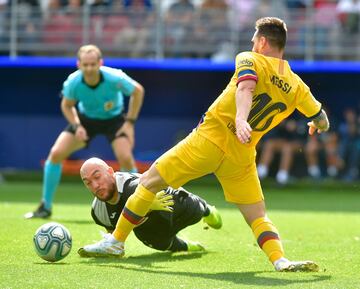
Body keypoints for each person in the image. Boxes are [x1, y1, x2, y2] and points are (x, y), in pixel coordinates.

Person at [82, 17, 329, 272]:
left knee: (147, 183)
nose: (252, 44)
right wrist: (318, 125)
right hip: (241, 155)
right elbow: (321, 118)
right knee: (258, 216)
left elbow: (245, 88)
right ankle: (280, 260)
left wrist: (241, 119)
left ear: (263, 41)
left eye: (254, 40)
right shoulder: (298, 85)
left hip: (210, 139)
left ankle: (116, 242)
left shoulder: (249, 58)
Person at [24, 44, 144, 219]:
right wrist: (76, 125)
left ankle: (139, 205)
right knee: (56, 153)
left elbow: (138, 91)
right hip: (85, 120)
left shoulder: (114, 77)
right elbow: (66, 105)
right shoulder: (73, 82)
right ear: (78, 64)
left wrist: (130, 123)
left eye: (93, 64)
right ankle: (45, 206)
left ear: (100, 63)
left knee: (125, 158)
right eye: (85, 65)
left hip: (115, 120)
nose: (89, 69)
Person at [77, 157, 222, 256]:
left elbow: (158, 183)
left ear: (110, 172)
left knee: (192, 209)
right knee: (156, 242)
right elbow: (112, 241)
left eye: (97, 177)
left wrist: (146, 201)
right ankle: (189, 246)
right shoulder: (98, 212)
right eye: (88, 182)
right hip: (152, 230)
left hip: (173, 205)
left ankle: (208, 210)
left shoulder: (133, 186)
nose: (95, 185)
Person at [257, 118, 306, 185]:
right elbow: (272, 135)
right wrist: (282, 124)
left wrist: (296, 126)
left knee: (287, 148)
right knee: (270, 144)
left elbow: (304, 130)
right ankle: (260, 174)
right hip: (283, 140)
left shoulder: (299, 114)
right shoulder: (278, 113)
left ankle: (282, 178)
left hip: (300, 142)